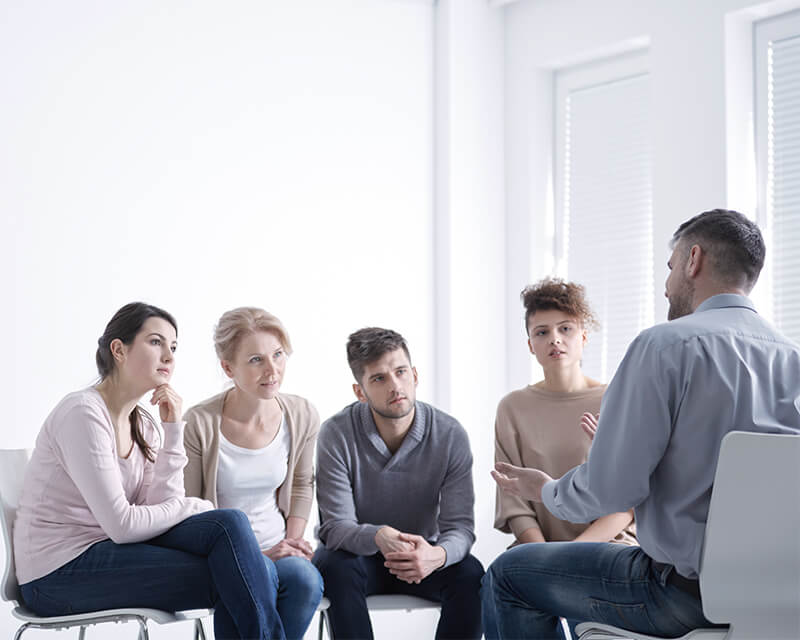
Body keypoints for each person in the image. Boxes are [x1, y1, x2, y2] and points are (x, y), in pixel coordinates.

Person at [483, 209, 800, 639]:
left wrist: (544, 489)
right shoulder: (791, 359)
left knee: (507, 573)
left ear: (693, 260)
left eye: (669, 269)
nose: (666, 286)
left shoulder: (665, 346)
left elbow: (613, 490)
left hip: (679, 595)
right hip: (779, 601)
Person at [14, 302, 285, 640]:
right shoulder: (82, 414)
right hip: (57, 575)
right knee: (243, 571)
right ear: (119, 350)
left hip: (106, 551)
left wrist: (172, 429)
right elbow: (123, 525)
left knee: (233, 532)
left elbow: (157, 511)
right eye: (156, 342)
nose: (169, 356)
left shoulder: (143, 423)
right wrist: (193, 505)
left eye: (173, 347)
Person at [313, 327, 484, 640]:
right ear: (360, 391)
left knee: (471, 574)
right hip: (358, 559)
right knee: (334, 566)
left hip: (423, 557)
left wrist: (438, 556)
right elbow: (335, 527)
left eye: (400, 372)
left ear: (415, 375)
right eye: (379, 378)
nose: (395, 386)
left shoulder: (449, 434)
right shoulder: (336, 434)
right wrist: (378, 536)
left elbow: (460, 527)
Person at [494, 278, 637, 638]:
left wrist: (568, 559)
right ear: (530, 345)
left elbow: (627, 500)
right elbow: (514, 501)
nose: (554, 339)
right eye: (542, 332)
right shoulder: (512, 408)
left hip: (609, 546)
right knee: (495, 582)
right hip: (536, 549)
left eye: (565, 328)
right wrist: (545, 559)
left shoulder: (615, 399)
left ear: (583, 336)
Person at [183, 307, 323, 640]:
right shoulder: (199, 423)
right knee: (255, 576)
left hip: (280, 544)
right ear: (228, 368)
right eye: (256, 360)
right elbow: (189, 510)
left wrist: (291, 541)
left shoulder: (301, 414)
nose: (272, 370)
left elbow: (303, 483)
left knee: (305, 579)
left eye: (278, 355)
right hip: (221, 557)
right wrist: (257, 555)